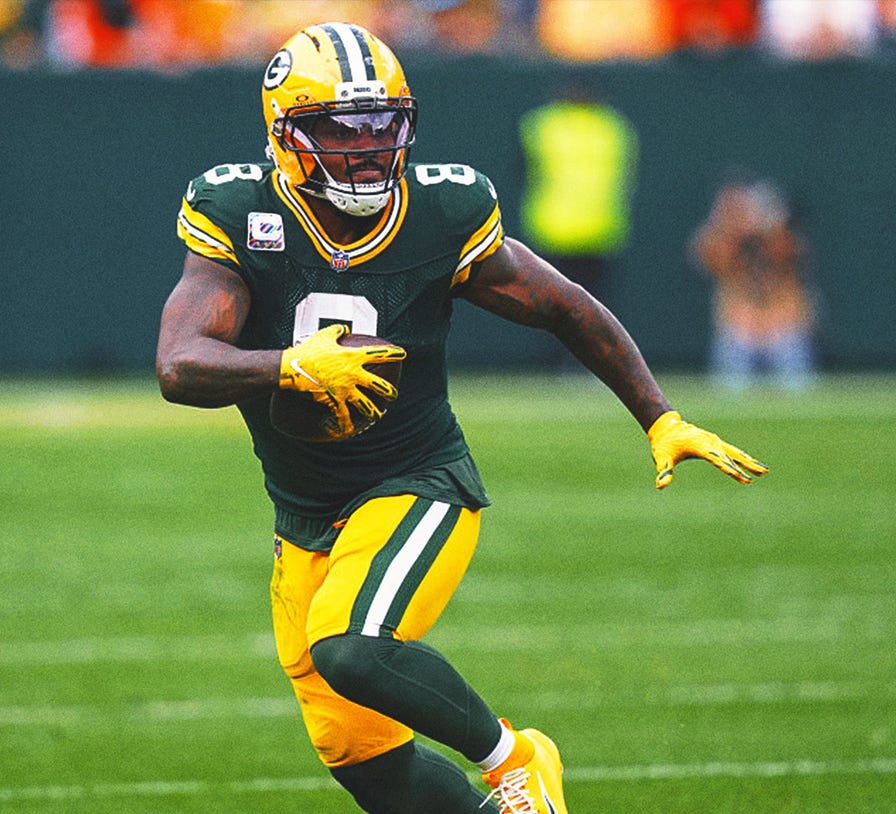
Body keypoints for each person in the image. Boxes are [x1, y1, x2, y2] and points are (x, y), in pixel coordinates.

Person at [156, 22, 767, 814]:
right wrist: (289, 366)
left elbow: (564, 305)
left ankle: (517, 758)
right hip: (303, 514)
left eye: (381, 124)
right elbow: (180, 364)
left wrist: (659, 416)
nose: (366, 149)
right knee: (363, 760)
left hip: (416, 481)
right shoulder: (242, 210)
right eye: (340, 129)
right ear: (286, 135)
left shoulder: (440, 210)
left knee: (352, 647)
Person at [517, 78, 637, 369]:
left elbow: (524, 172)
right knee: (594, 306)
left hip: (554, 227)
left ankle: (556, 364)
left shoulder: (543, 124)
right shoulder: (614, 127)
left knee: (550, 305)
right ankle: (591, 364)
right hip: (600, 228)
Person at [690, 175, 817, 391]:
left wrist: (769, 225)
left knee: (796, 381)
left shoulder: (782, 237)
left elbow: (791, 254)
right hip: (741, 327)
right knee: (730, 384)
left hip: (781, 325)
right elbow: (707, 257)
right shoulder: (725, 238)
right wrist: (728, 227)